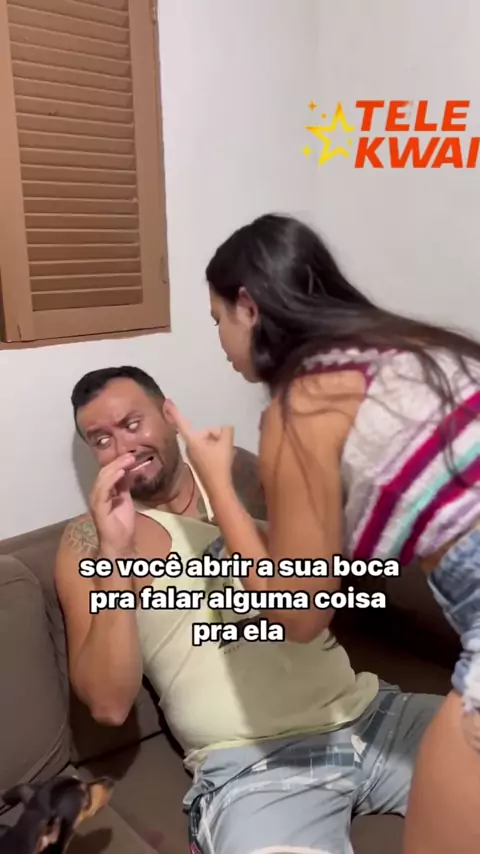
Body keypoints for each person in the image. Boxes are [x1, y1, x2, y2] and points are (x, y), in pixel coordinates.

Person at [165, 212, 480, 854]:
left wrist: (218, 482)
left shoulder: (302, 403)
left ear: (248, 307)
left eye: (217, 319)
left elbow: (301, 613)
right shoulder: (412, 349)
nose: (220, 341)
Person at [54, 365, 440, 854]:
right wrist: (115, 553)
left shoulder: (238, 474)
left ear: (169, 414)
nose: (123, 448)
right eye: (102, 439)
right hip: (253, 767)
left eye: (133, 424)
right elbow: (108, 706)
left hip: (371, 714)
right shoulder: (88, 539)